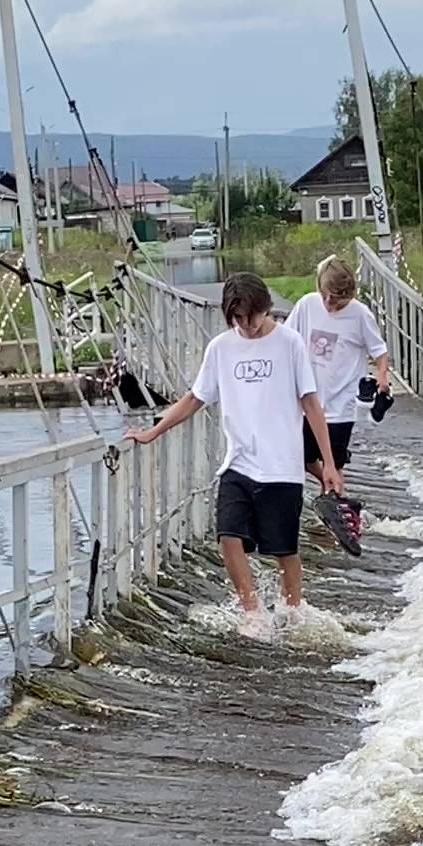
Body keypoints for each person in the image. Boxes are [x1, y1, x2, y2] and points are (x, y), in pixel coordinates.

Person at [127, 272, 341, 634]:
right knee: (228, 534)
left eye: (251, 317)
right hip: (239, 462)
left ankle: (293, 614)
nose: (246, 325)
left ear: (265, 308)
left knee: (284, 550)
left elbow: (311, 404)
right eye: (237, 318)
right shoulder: (221, 347)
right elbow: (195, 398)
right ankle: (252, 611)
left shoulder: (290, 344)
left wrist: (329, 465)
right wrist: (153, 431)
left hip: (282, 467)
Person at [284, 255, 390, 493]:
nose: (329, 303)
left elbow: (380, 351)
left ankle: (338, 511)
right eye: (326, 296)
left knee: (335, 463)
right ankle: (327, 485)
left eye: (337, 299)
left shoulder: (360, 315)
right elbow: (285, 338)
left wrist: (382, 376)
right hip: (308, 402)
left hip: (341, 405)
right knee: (301, 456)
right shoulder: (307, 305)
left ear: (349, 294)